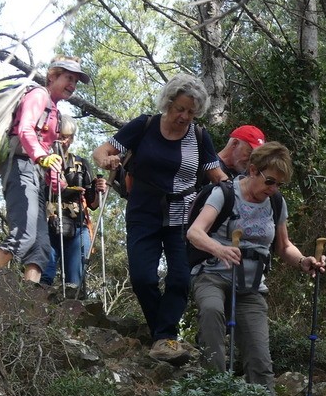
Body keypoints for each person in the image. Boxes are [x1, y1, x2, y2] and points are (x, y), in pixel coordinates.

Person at [186, 142, 326, 396]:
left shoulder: (276, 203)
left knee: (260, 358)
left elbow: (284, 246)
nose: (274, 188)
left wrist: (304, 262)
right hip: (212, 275)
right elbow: (194, 232)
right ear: (253, 170)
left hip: (251, 287)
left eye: (280, 183)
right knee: (212, 312)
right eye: (270, 181)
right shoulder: (223, 193)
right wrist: (219, 249)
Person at [92, 73, 226, 364]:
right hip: (143, 210)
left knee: (179, 279)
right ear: (168, 103)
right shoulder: (146, 125)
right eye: (180, 108)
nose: (185, 116)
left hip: (184, 214)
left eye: (191, 112)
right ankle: (164, 338)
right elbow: (103, 150)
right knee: (142, 277)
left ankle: (164, 338)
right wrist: (106, 160)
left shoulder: (199, 136)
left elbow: (217, 174)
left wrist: (238, 193)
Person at [0, 56, 90, 283]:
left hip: (34, 173)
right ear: (52, 76)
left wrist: (57, 181)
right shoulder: (38, 95)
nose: (72, 85)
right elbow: (25, 130)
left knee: (41, 247)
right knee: (23, 234)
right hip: (20, 165)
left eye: (75, 81)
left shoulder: (53, 109)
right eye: (68, 78)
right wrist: (42, 157)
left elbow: (46, 148)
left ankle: (28, 302)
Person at [41, 116, 107, 296]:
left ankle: (74, 318)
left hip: (77, 224)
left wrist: (99, 190)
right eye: (61, 136)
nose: (64, 140)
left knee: (75, 282)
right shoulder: (41, 162)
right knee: (44, 276)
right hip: (48, 224)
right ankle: (35, 314)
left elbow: (93, 203)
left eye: (69, 136)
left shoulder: (81, 164)